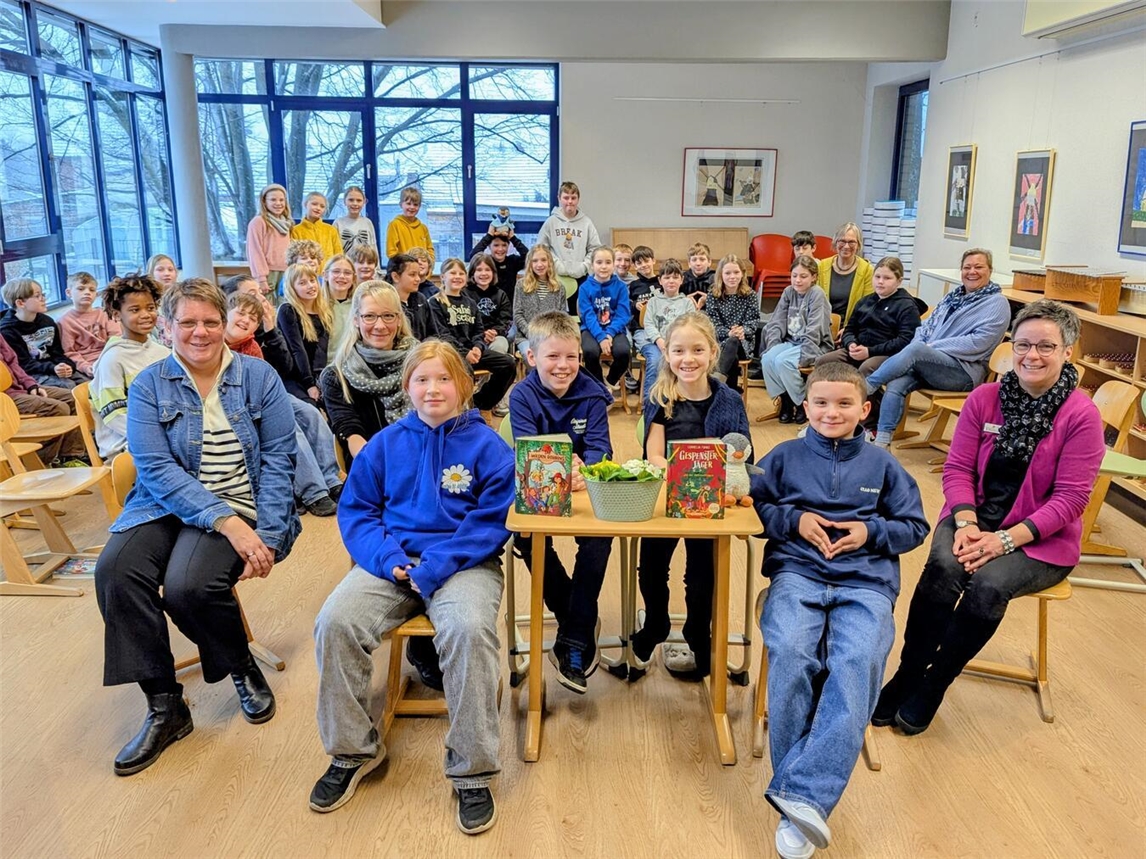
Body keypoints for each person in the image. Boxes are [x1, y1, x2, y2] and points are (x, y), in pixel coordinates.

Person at [93, 278, 299, 776]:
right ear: (168, 326)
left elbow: (278, 458)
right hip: (165, 503)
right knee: (114, 572)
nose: (201, 332)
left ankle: (240, 666)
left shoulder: (257, 378)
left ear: (224, 323)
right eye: (188, 322)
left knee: (190, 586)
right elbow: (157, 470)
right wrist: (225, 524)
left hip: (239, 497)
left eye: (211, 321)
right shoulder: (149, 384)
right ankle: (166, 707)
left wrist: (266, 535)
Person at [873, 300, 1105, 735]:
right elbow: (958, 469)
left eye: (1045, 346)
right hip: (971, 520)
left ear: (1068, 351)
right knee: (943, 566)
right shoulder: (984, 399)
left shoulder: (1081, 416)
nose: (1031, 356)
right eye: (1022, 345)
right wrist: (967, 523)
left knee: (988, 585)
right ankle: (907, 672)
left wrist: (1004, 541)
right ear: (1010, 346)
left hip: (1040, 539)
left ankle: (934, 683)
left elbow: (1071, 500)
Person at [310, 341, 514, 835]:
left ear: (464, 386)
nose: (433, 389)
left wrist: (434, 566)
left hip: (464, 564)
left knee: (466, 630)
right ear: (407, 387)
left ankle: (473, 770)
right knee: (334, 621)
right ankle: (353, 750)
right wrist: (389, 560)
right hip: (392, 564)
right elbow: (358, 511)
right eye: (422, 379)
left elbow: (491, 521)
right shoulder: (383, 444)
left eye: (444, 379)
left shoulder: (490, 446)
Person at [750, 362, 929, 859]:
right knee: (789, 652)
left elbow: (915, 527)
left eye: (845, 403)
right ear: (805, 407)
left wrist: (869, 533)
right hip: (797, 575)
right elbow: (755, 507)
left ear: (865, 410)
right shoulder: (782, 457)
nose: (832, 412)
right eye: (821, 403)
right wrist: (794, 519)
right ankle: (805, 799)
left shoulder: (885, 465)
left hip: (866, 583)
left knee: (857, 662)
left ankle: (800, 798)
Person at [631, 312, 751, 681]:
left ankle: (698, 632)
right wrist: (675, 478)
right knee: (651, 566)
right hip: (668, 499)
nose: (688, 359)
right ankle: (656, 622)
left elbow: (744, 451)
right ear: (667, 354)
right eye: (680, 350)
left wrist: (732, 461)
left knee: (702, 573)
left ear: (713, 352)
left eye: (698, 350)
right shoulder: (660, 396)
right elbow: (652, 452)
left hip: (710, 505)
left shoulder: (729, 399)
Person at [509, 311, 615, 693]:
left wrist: (584, 469)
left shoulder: (591, 394)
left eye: (571, 357)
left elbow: (601, 449)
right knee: (526, 539)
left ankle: (572, 638)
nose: (563, 366)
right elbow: (525, 449)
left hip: (582, 490)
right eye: (553, 357)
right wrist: (554, 466)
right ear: (532, 357)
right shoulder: (521, 396)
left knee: (600, 538)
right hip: (538, 489)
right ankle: (578, 621)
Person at [865, 248, 1010, 448]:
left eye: (978, 267)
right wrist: (922, 344)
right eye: (967, 267)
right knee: (896, 384)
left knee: (916, 351)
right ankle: (882, 443)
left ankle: (866, 386)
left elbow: (978, 343)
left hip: (964, 372)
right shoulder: (953, 297)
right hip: (931, 364)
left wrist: (931, 347)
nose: (972, 271)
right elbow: (925, 326)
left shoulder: (997, 303)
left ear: (990, 270)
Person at [225, 291, 342, 517]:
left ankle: (330, 478)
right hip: (242, 403)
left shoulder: (252, 347)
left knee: (310, 412)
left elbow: (271, 376)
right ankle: (314, 492)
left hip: (265, 394)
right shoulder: (215, 343)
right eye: (240, 313)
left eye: (252, 319)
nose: (245, 320)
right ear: (225, 314)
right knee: (288, 424)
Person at [320, 280, 415, 461]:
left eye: (388, 316)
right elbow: (351, 431)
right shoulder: (336, 376)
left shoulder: (420, 363)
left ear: (399, 319)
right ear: (356, 319)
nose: (379, 325)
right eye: (369, 316)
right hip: (372, 464)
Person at [89, 274, 169, 460]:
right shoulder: (112, 360)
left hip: (164, 435)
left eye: (150, 308)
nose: (145, 315)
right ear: (117, 314)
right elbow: (115, 416)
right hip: (125, 446)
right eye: (134, 310)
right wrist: (156, 436)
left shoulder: (163, 352)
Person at [430, 258, 516, 415]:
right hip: (450, 353)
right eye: (452, 273)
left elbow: (478, 331)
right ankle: (459, 413)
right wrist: (465, 353)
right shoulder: (435, 303)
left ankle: (480, 403)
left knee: (508, 364)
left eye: (461, 273)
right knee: (465, 370)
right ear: (443, 277)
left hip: (473, 351)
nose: (457, 277)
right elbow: (442, 335)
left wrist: (477, 347)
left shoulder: (470, 302)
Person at [816, 256, 924, 378]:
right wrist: (851, 343)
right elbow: (850, 329)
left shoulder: (907, 306)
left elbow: (905, 340)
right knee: (823, 361)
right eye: (877, 277)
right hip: (858, 349)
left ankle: (868, 397)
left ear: (899, 281)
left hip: (887, 354)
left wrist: (870, 351)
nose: (880, 281)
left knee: (867, 368)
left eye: (887, 278)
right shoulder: (864, 301)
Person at [760, 256, 834, 424]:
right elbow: (777, 321)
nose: (798, 280)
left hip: (814, 345)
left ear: (813, 277)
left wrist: (806, 357)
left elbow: (815, 330)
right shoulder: (788, 292)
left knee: (783, 362)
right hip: (791, 341)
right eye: (794, 276)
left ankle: (801, 402)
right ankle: (785, 400)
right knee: (767, 359)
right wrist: (773, 345)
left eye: (803, 276)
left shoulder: (817, 295)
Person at [1, 331, 86, 464]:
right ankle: (41, 463)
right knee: (57, 409)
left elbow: (13, 362)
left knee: (72, 398)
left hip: (20, 388)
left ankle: (70, 457)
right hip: (5, 398)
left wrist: (30, 385)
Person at [1, 277, 83, 388]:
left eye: (43, 295)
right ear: (20, 303)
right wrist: (52, 368)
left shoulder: (47, 321)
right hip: (32, 374)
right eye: (37, 296)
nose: (43, 299)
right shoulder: (7, 331)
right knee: (69, 386)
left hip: (52, 367)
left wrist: (66, 365)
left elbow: (57, 352)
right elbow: (22, 364)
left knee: (89, 384)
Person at [277, 263, 334, 405]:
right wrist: (309, 384)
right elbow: (297, 349)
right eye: (302, 283)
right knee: (312, 409)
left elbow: (322, 351)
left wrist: (321, 381)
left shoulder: (324, 312)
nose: (310, 286)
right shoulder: (287, 310)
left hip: (317, 374)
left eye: (312, 280)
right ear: (292, 288)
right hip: (295, 375)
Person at [641, 258, 695, 403]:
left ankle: (679, 399)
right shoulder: (653, 302)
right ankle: (649, 402)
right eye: (667, 277)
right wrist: (660, 341)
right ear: (660, 280)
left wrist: (675, 345)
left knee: (684, 362)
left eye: (675, 277)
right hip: (655, 343)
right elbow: (649, 324)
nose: (671, 281)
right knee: (655, 361)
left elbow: (691, 326)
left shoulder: (687, 303)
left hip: (680, 345)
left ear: (682, 280)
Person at [577, 247, 631, 391]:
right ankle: (598, 385)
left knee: (624, 352)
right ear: (592, 265)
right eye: (599, 262)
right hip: (591, 329)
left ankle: (610, 381)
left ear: (613, 265)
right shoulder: (584, 288)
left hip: (614, 329)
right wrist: (601, 337)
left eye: (608, 262)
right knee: (590, 351)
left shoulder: (621, 287)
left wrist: (609, 334)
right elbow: (588, 316)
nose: (603, 266)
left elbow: (623, 314)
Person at [704, 253, 759, 390]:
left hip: (743, 342)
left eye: (736, 272)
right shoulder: (713, 294)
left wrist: (742, 331)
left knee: (733, 341)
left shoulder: (750, 295)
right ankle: (731, 392)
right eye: (727, 273)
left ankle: (716, 382)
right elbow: (712, 324)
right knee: (731, 355)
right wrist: (728, 333)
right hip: (719, 341)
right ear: (721, 275)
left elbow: (753, 322)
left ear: (742, 274)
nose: (732, 276)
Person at [536, 181, 602, 280]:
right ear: (559, 198)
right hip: (555, 277)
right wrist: (556, 265)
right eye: (566, 198)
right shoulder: (550, 222)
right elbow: (542, 249)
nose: (570, 201)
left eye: (573, 198)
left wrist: (584, 266)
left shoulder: (587, 223)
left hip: (581, 277)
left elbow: (595, 249)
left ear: (578, 199)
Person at [59, 271, 121, 377]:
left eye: (92, 290)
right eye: (81, 288)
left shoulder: (106, 314)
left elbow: (117, 340)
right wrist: (85, 367)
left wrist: (111, 361)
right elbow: (69, 352)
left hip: (111, 359)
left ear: (96, 294)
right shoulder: (64, 321)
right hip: (86, 366)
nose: (87, 292)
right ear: (69, 293)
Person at [511, 244, 567, 359]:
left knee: (554, 358)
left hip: (552, 337)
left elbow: (562, 316)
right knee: (534, 358)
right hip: (527, 337)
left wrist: (551, 336)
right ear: (530, 264)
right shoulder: (521, 285)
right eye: (535, 261)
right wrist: (531, 334)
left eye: (543, 260)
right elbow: (517, 314)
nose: (539, 264)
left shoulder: (559, 287)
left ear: (549, 262)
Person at [817, 223, 873, 324]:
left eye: (852, 242)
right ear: (835, 242)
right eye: (842, 241)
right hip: (822, 325)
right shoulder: (821, 266)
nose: (846, 246)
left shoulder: (867, 270)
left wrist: (849, 330)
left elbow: (868, 307)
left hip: (853, 327)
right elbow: (814, 302)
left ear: (858, 245)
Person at [246, 183, 292, 297]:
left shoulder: (287, 223)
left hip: (286, 272)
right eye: (273, 200)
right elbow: (255, 251)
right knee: (268, 308)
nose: (278, 203)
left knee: (284, 307)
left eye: (281, 200)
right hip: (268, 274)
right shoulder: (258, 222)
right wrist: (261, 278)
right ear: (264, 202)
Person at [623, 245, 657, 394]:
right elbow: (626, 306)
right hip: (641, 329)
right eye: (639, 263)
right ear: (634, 266)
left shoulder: (662, 281)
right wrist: (634, 305)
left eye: (646, 261)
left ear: (653, 261)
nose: (643, 265)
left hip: (661, 328)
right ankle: (649, 398)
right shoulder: (634, 285)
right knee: (655, 358)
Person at [464, 254, 513, 356]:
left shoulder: (500, 294)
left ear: (493, 273)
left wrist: (494, 332)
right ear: (472, 273)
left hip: (494, 336)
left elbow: (505, 320)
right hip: (470, 337)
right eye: (479, 270)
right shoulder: (464, 294)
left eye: (487, 270)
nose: (484, 273)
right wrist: (481, 335)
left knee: (500, 346)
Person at [389, 253, 439, 341]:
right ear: (395, 277)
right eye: (412, 275)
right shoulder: (385, 302)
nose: (418, 279)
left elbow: (433, 333)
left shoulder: (421, 299)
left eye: (418, 275)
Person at [385, 186, 435, 267]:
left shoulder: (423, 228)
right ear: (401, 204)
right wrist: (405, 267)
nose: (412, 207)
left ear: (419, 206)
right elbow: (391, 252)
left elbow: (430, 250)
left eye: (415, 204)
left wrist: (429, 265)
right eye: (408, 203)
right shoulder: (395, 225)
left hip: (422, 271)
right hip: (404, 272)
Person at [471, 227, 528, 293]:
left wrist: (513, 238)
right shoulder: (487, 262)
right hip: (491, 301)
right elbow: (473, 256)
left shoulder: (513, 261)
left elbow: (529, 258)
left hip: (509, 302)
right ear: (489, 246)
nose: (500, 249)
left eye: (504, 245)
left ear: (508, 246)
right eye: (496, 245)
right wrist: (489, 235)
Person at [291, 192, 343, 263]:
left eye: (322, 206)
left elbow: (339, 254)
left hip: (328, 272)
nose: (318, 208)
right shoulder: (296, 231)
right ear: (305, 204)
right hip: (305, 272)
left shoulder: (331, 230)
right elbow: (293, 257)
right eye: (314, 204)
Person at [324, 254, 358, 348]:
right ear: (326, 275)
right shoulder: (316, 306)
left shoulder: (359, 306)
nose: (342, 276)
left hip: (353, 361)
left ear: (354, 278)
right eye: (336, 271)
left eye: (347, 273)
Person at [334, 186, 377, 256]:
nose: (355, 203)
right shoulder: (338, 223)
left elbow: (373, 248)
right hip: (345, 265)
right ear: (344, 201)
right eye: (351, 200)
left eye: (359, 200)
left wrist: (376, 266)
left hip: (364, 265)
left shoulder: (367, 223)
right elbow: (334, 250)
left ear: (364, 202)